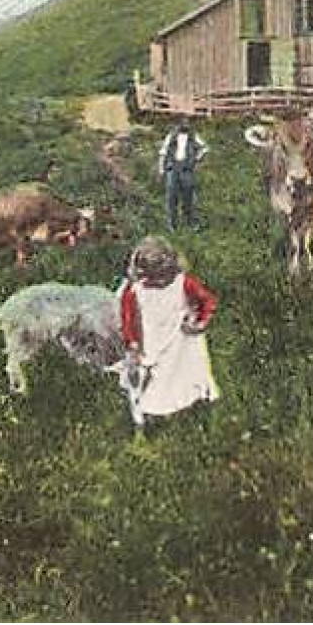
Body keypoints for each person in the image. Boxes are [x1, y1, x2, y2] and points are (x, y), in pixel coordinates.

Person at [116, 235, 218, 428]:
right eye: (152, 277)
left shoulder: (182, 282)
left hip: (181, 341)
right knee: (151, 380)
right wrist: (132, 342)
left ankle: (190, 408)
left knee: (187, 374)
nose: (158, 282)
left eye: (162, 276)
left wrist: (200, 320)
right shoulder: (135, 291)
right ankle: (149, 418)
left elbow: (207, 300)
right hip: (152, 340)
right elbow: (127, 318)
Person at [157, 119, 208, 230]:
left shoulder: (193, 136)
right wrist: (161, 168)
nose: (184, 125)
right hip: (173, 168)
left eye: (186, 123)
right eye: (182, 123)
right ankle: (171, 224)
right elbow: (163, 152)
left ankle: (190, 223)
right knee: (171, 197)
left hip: (186, 169)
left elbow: (204, 148)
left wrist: (197, 158)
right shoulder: (171, 137)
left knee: (188, 196)